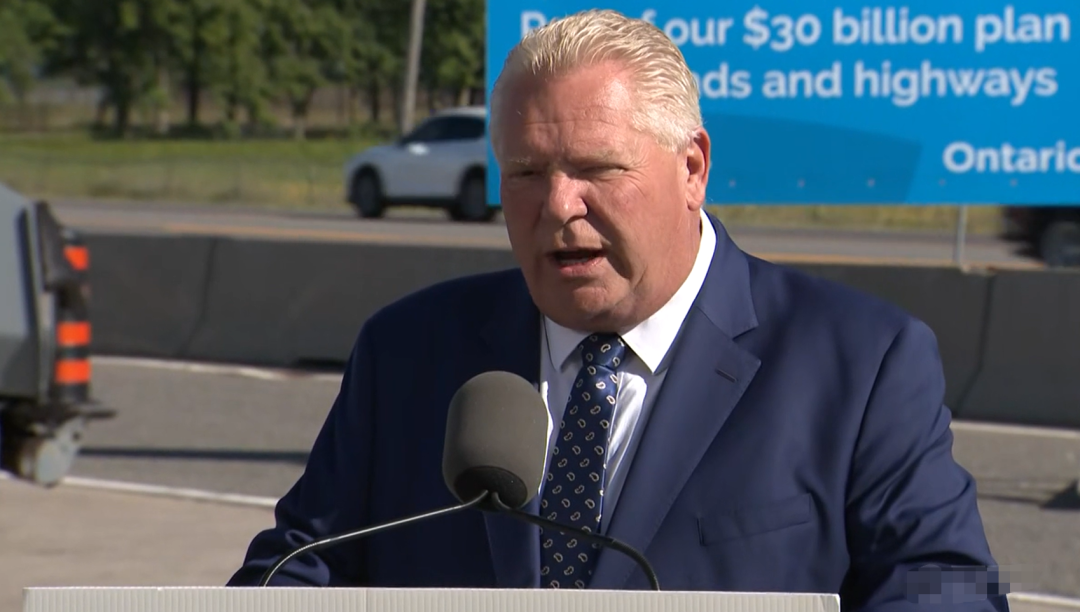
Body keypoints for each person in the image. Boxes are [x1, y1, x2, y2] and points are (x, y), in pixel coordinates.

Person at [227, 9, 1008, 610]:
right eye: (526, 173)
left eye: (597, 169)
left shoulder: (861, 363)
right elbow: (298, 568)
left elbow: (947, 586)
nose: (558, 206)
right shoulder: (408, 351)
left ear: (692, 167)